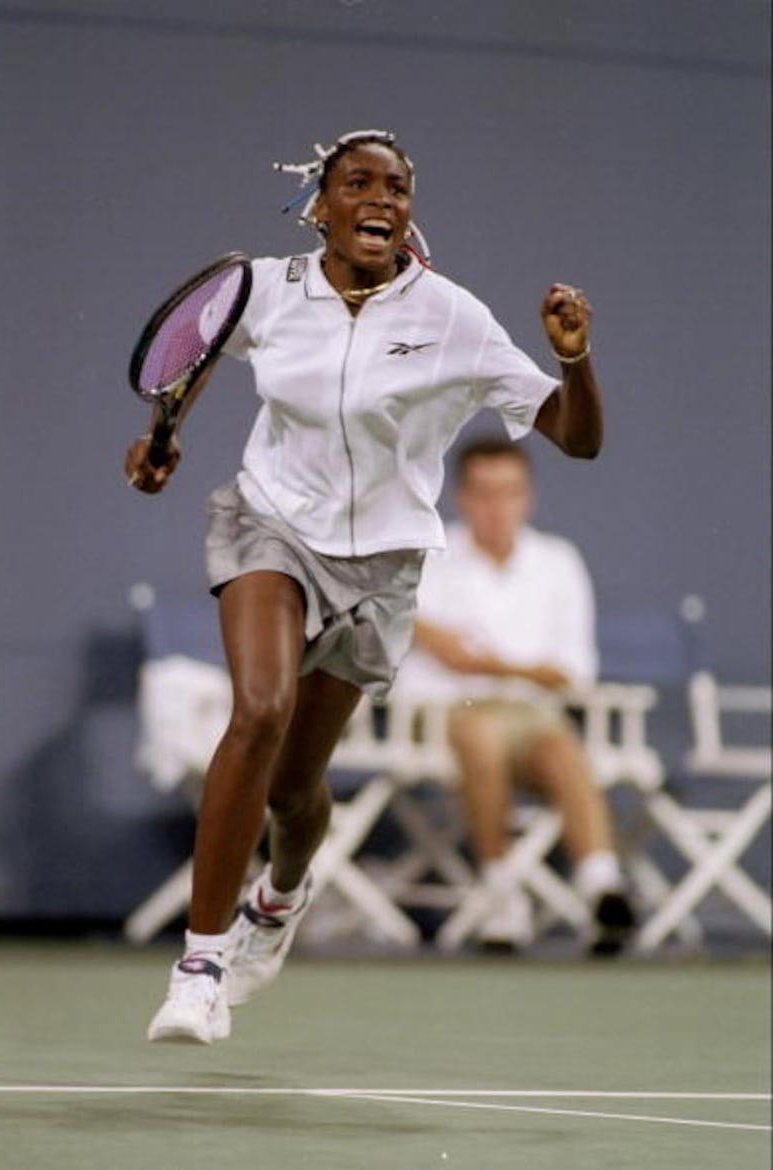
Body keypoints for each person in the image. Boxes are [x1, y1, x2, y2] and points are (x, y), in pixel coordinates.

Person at [124, 128, 606, 1044]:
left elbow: (576, 439)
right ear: (321, 206)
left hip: (381, 564)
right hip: (269, 522)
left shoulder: (453, 316)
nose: (380, 198)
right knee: (259, 711)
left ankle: (283, 895)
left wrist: (574, 360)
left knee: (295, 788)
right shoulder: (266, 287)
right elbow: (196, 353)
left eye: (396, 187)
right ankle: (200, 963)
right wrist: (163, 436)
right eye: (357, 183)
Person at [395, 437, 636, 954]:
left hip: (530, 717)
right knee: (483, 733)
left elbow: (571, 672)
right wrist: (514, 668)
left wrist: (485, 663)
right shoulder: (426, 555)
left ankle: (601, 887)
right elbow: (400, 627)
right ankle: (499, 888)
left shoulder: (558, 561)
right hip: (443, 717)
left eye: (508, 492)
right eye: (484, 493)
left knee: (563, 751)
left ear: (527, 497)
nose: (496, 507)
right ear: (461, 497)